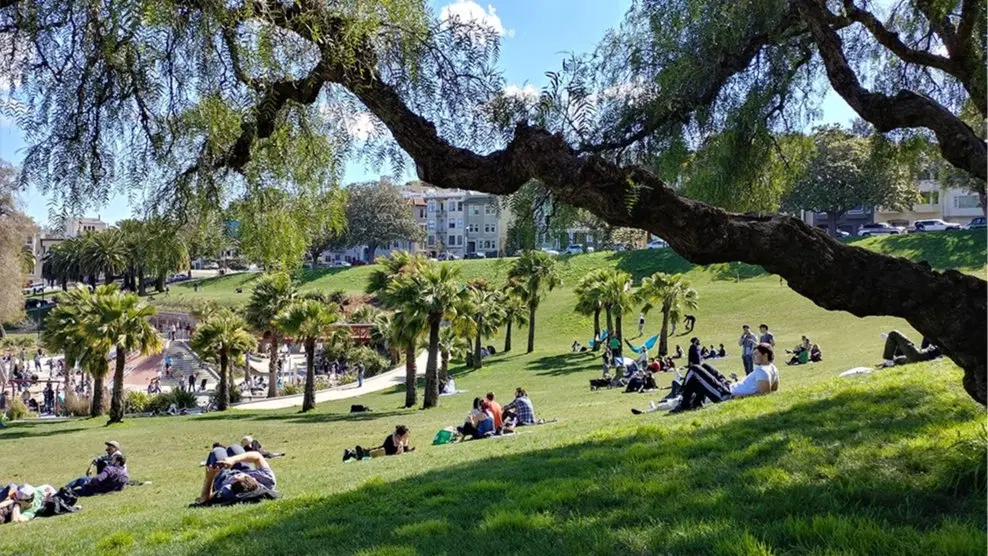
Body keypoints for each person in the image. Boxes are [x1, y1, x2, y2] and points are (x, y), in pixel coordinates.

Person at [671, 343, 779, 412]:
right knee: (705, 367)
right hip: (729, 386)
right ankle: (696, 402)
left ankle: (684, 402)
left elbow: (764, 394)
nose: (753, 356)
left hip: (727, 394)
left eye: (756, 354)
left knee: (694, 369)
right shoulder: (773, 368)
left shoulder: (762, 371)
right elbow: (774, 389)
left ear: (765, 356)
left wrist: (740, 397)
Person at [196, 445, 277, 505]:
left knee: (218, 451)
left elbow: (204, 500)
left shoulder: (228, 491)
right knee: (234, 448)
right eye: (238, 476)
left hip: (223, 477)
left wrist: (210, 478)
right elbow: (258, 456)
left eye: (233, 480)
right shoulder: (267, 479)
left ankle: (221, 452)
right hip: (245, 469)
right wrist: (233, 460)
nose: (234, 476)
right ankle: (230, 456)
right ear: (255, 480)